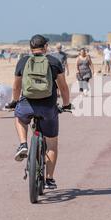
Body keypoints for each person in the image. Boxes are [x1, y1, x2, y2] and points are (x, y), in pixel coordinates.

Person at [8, 35, 71, 190]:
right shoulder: (54, 62)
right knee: (52, 143)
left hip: (27, 105)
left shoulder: (23, 62)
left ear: (30, 47)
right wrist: (66, 104)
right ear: (46, 47)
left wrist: (15, 102)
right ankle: (49, 179)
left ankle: (23, 144)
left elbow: (16, 87)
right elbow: (63, 87)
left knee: (20, 117)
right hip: (48, 107)